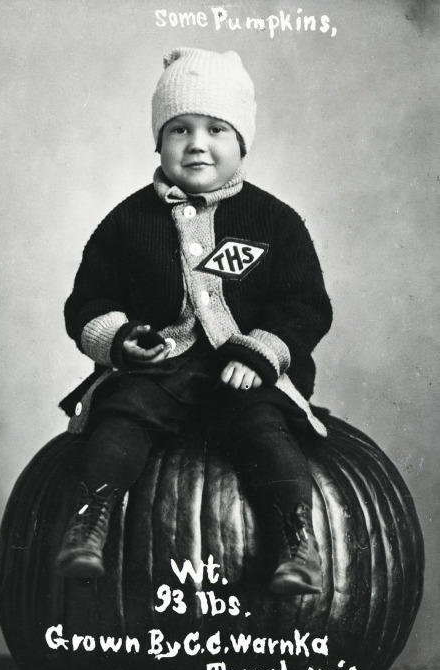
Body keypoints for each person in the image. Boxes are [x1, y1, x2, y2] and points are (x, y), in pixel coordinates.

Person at [56, 47, 333, 595]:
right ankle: (88, 525)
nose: (197, 143)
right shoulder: (126, 221)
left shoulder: (275, 221)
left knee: (263, 428)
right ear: (158, 140)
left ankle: (297, 542)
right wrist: (119, 340)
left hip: (246, 374)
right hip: (161, 374)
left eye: (216, 129)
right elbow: (87, 300)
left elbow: (305, 304)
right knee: (122, 416)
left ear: (242, 143)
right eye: (179, 129)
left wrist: (262, 352)